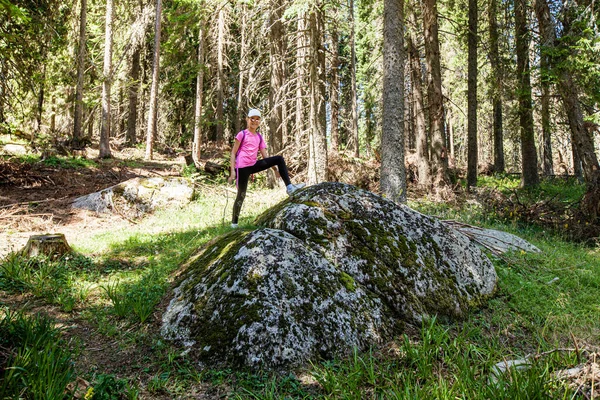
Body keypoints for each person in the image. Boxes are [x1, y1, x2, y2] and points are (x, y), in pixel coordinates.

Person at [228, 109, 304, 228]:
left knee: (279, 159)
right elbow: (233, 153)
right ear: (247, 119)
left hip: (253, 165)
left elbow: (265, 156)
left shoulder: (259, 136)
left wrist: (274, 169)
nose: (254, 121)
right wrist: (233, 171)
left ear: (259, 121)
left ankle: (290, 187)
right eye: (252, 118)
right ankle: (234, 224)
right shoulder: (242, 134)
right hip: (242, 167)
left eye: (257, 119)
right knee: (241, 195)